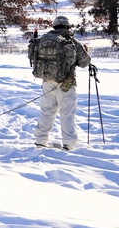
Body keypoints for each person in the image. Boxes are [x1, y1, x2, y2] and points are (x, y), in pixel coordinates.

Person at [28, 16, 91, 151]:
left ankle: (40, 141)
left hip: (47, 81)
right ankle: (68, 143)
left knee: (46, 111)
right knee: (67, 113)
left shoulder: (44, 39)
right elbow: (85, 62)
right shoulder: (71, 41)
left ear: (54, 26)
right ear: (67, 27)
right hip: (66, 84)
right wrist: (86, 50)